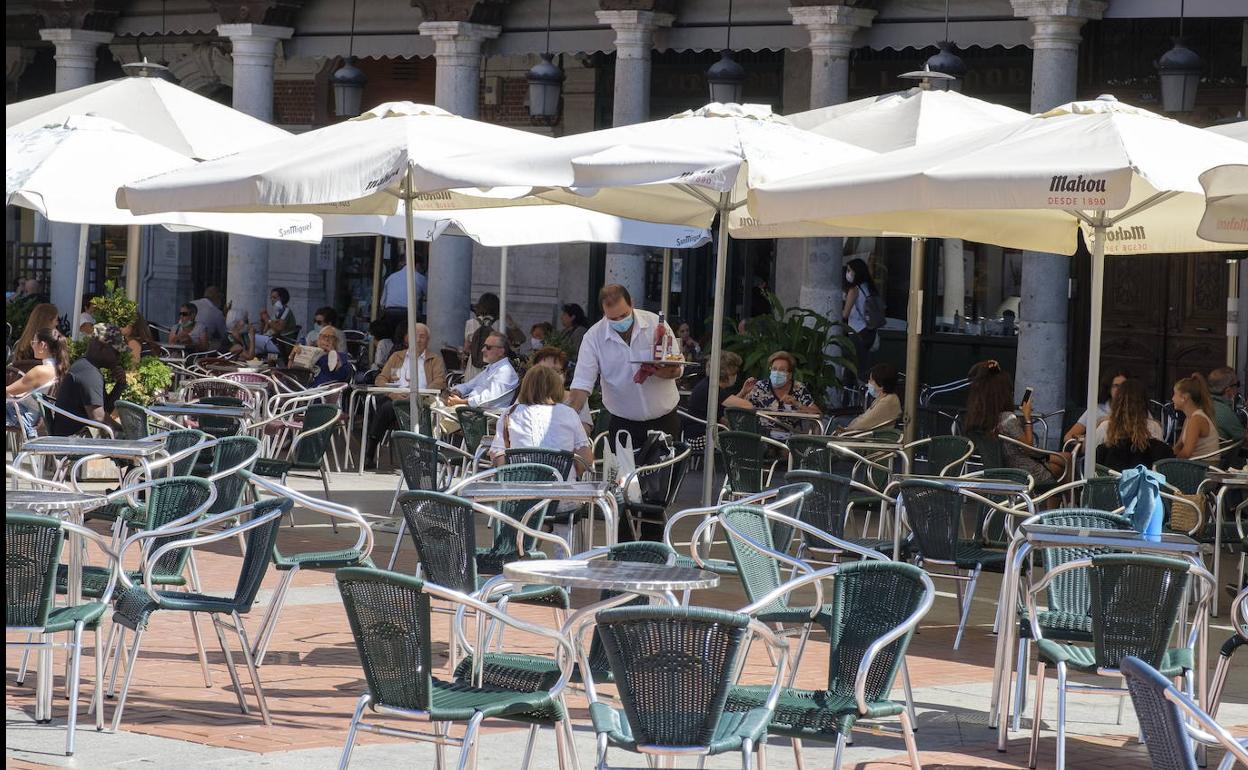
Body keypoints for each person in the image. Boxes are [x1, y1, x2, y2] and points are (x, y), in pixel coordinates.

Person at [567, 284, 682, 451]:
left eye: (624, 315)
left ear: (632, 303)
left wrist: (664, 371)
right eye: (613, 319)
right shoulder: (593, 337)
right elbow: (582, 384)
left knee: (666, 475)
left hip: (664, 418)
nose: (620, 322)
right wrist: (568, 419)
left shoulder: (654, 324)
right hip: (623, 422)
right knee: (625, 477)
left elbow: (677, 366)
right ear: (603, 313)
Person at [964, 360, 1063, 484]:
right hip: (1024, 473)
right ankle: (1070, 501)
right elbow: (1029, 449)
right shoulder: (1007, 419)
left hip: (999, 473)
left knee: (1061, 460)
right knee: (1065, 465)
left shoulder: (979, 419)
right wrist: (1027, 417)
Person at [365, 323, 447, 465]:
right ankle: (371, 449)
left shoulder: (434, 359)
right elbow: (381, 378)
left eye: (422, 337)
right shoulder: (397, 356)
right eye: (415, 336)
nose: (418, 340)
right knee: (387, 405)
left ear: (428, 340)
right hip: (397, 397)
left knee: (387, 408)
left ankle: (371, 449)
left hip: (422, 401)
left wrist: (418, 394)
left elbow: (440, 381)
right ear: (407, 339)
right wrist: (392, 393)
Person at [490, 365, 592, 473]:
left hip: (519, 484)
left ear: (526, 386)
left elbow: (498, 456)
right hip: (561, 485)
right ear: (556, 387)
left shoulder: (511, 413)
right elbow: (585, 460)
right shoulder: (569, 413)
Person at [51, 324, 127, 436]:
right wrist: (127, 432)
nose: (118, 358)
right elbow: (98, 417)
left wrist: (120, 384)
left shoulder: (86, 367)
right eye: (117, 353)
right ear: (102, 348)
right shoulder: (89, 373)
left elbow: (105, 409)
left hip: (74, 440)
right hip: (74, 445)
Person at [1096, 378, 1174, 471]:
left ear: (1117, 401)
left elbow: (1092, 457)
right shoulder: (1154, 427)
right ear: (1144, 402)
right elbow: (1159, 463)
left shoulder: (1106, 427)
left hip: (1111, 483)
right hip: (1144, 483)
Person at [724, 350, 822, 420]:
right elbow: (731, 409)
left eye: (782, 370)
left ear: (790, 374)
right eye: (774, 369)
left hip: (791, 438)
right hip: (761, 438)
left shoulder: (798, 388)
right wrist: (743, 392)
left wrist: (797, 404)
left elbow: (818, 414)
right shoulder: (760, 387)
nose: (777, 372)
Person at [6, 328, 68, 439]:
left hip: (22, 416)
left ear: (43, 345)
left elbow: (9, 390)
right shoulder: (58, 369)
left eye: (34, 342)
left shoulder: (40, 370)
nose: (32, 345)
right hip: (35, 415)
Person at [447, 330, 519, 409]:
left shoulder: (505, 371)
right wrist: (457, 391)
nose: (483, 350)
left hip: (487, 417)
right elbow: (470, 385)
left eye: (488, 347)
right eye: (484, 346)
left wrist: (462, 402)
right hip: (474, 412)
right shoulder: (492, 367)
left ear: (501, 352)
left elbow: (488, 399)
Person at [531, 344, 593, 433]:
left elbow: (585, 431)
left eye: (555, 371)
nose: (548, 376)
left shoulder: (576, 398)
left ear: (564, 374)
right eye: (542, 371)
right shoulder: (527, 397)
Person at [1063, 368, 1130, 445]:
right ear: (1108, 388)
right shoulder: (1096, 410)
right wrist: (1094, 433)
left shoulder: (1137, 410)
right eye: (1116, 386)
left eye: (1124, 386)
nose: (1121, 390)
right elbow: (1068, 437)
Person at [842, 257, 880, 384]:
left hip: (856, 332)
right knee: (864, 370)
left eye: (849, 270)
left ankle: (850, 401)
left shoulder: (854, 290)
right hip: (869, 332)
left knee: (851, 372)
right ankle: (864, 399)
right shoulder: (868, 287)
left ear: (856, 271)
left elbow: (845, 314)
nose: (847, 273)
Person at [1171, 373, 1221, 460]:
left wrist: (1170, 462)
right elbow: (1179, 446)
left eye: (1175, 394)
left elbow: (1186, 453)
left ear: (1184, 397)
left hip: (1201, 469)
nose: (1172, 398)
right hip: (1195, 466)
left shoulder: (1197, 420)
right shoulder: (1189, 418)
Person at [842, 362, 902, 432]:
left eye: (871, 380)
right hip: (868, 432)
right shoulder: (884, 398)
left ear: (881, 385)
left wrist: (847, 429)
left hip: (872, 435)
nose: (868, 382)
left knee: (837, 421)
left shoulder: (887, 401)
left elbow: (863, 423)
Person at [689, 350, 741, 425]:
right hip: (704, 433)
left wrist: (744, 391)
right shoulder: (713, 390)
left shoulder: (707, 384)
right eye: (735, 373)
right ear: (728, 373)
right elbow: (746, 406)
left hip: (697, 429)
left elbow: (730, 406)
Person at [380, 259, 427, 327]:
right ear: (417, 265)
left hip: (390, 312)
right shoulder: (420, 278)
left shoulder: (391, 277)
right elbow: (430, 296)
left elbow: (382, 303)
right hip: (409, 313)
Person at [1207, 366, 1245, 445]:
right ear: (1228, 390)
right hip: (1221, 456)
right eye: (1237, 384)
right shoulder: (1225, 412)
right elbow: (1244, 437)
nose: (1238, 388)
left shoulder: (1205, 403)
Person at [255, 287, 296, 355]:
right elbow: (265, 331)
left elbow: (279, 328)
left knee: (251, 338)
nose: (272, 300)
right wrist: (263, 321)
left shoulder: (286, 311)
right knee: (252, 346)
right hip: (270, 339)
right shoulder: (276, 313)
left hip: (280, 344)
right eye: (271, 298)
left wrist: (267, 319)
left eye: (274, 298)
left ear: (282, 299)